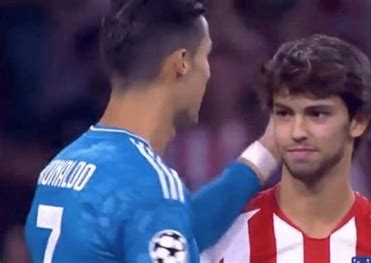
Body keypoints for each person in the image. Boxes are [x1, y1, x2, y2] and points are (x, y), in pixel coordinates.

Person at [24, 0, 279, 262]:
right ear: (181, 63)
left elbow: (180, 228)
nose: (208, 72)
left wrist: (267, 148)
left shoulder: (63, 164)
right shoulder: (149, 187)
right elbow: (156, 212)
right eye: (205, 56)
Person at [201, 34, 371, 263]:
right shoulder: (225, 241)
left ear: (358, 121)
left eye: (317, 114)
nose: (297, 131)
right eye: (285, 113)